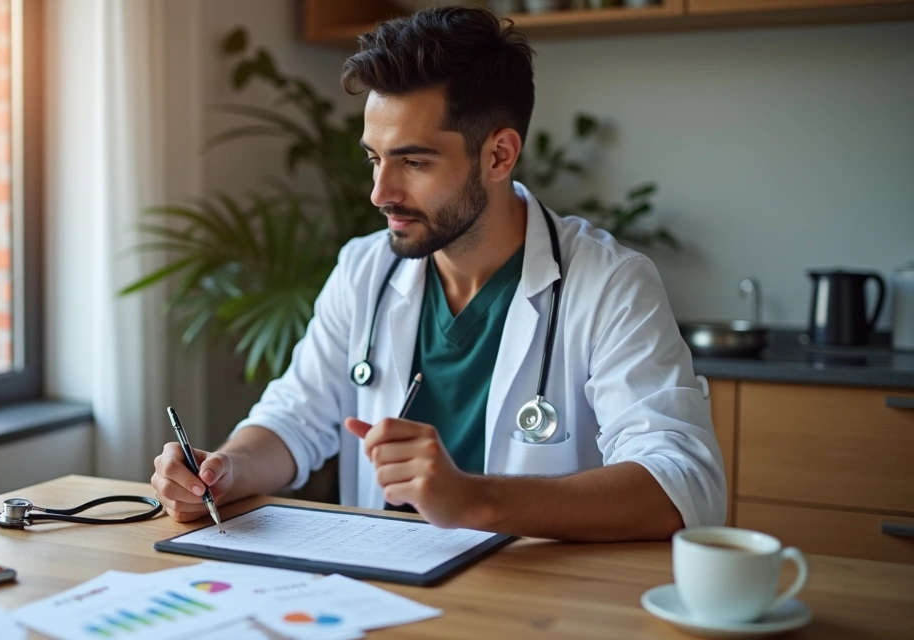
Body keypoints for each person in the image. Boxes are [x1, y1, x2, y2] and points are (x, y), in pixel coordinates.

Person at [151, 6, 725, 541]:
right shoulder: (364, 268)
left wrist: (478, 502)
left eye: (414, 161)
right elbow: (293, 419)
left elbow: (681, 484)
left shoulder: (610, 284)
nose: (380, 193)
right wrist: (226, 470)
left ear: (499, 155)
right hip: (387, 590)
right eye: (375, 158)